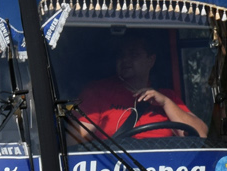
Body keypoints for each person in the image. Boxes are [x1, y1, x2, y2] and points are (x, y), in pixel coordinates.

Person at [76, 32, 208, 139]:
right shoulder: (97, 92)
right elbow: (77, 139)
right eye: (121, 55)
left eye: (133, 54)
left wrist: (166, 104)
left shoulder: (167, 97)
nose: (125, 59)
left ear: (151, 60)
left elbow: (200, 134)